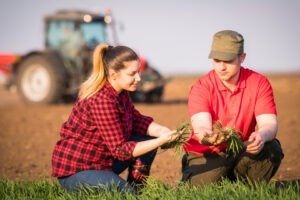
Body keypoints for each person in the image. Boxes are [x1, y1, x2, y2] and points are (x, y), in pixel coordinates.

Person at [51, 44, 180, 193]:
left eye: (138, 72)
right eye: (132, 74)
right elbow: (120, 150)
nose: (138, 78)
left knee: (146, 141)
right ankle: (131, 192)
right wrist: (160, 141)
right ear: (114, 75)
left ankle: (138, 191)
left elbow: (137, 120)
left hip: (103, 161)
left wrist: (163, 131)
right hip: (78, 171)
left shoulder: (121, 92)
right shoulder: (102, 100)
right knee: (127, 194)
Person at [181, 30, 284, 186]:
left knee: (272, 148)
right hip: (207, 152)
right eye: (216, 60)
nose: (221, 67)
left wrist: (262, 135)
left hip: (240, 149)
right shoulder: (201, 87)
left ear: (242, 58)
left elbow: (269, 124)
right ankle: (191, 173)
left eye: (228, 61)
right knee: (206, 190)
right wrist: (209, 137)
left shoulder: (259, 83)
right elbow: (201, 125)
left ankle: (245, 189)